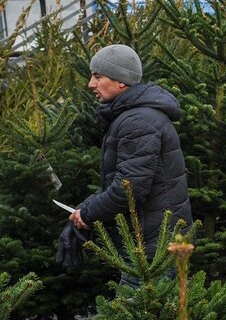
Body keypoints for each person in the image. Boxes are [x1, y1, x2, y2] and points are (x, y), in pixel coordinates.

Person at [70, 44, 193, 281]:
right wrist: (85, 207)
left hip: (153, 248)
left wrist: (88, 213)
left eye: (98, 76)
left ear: (121, 81)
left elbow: (129, 187)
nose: (90, 84)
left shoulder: (138, 121)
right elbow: (122, 179)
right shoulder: (132, 115)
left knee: (146, 315)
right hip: (152, 240)